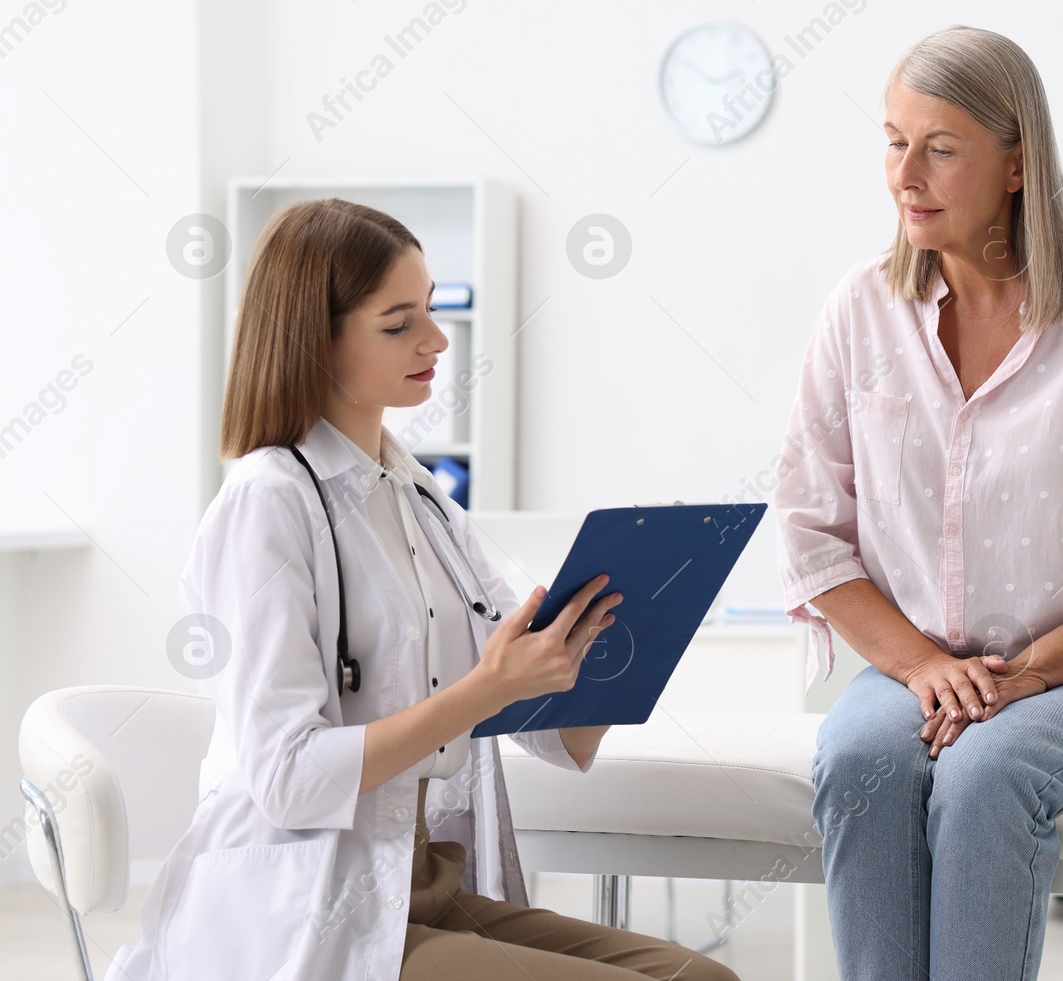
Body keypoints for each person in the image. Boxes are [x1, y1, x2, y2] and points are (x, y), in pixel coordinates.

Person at [109, 198, 738, 981]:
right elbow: (289, 779)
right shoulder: (268, 502)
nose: (437, 340)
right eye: (399, 322)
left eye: (432, 310)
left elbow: (550, 732)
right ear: (318, 337)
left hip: (420, 883)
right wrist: (484, 690)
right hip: (308, 904)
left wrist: (636, 624)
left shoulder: (420, 498)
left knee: (704, 977)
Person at [774, 26, 1063, 981]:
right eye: (894, 140)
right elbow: (812, 529)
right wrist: (923, 669)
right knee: (861, 764)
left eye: (941, 149)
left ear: (1018, 164)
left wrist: (1026, 673)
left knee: (987, 774)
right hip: (922, 671)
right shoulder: (859, 311)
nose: (906, 173)